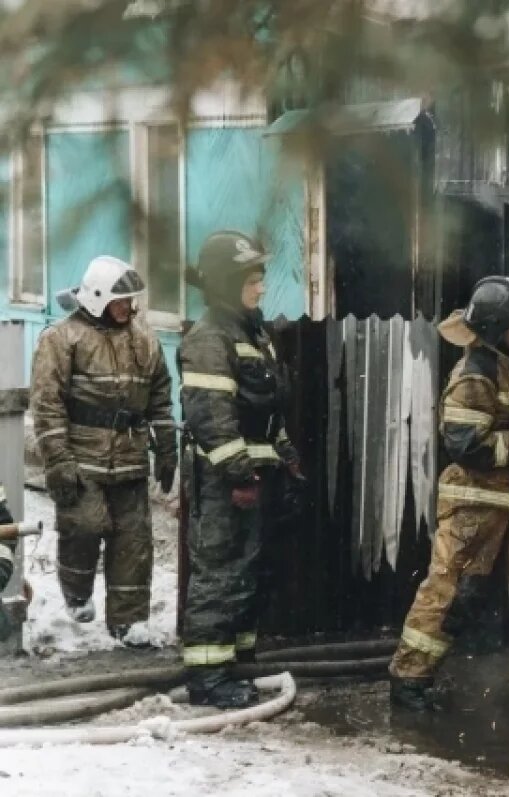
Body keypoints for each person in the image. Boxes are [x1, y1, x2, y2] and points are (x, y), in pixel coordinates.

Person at [389, 275, 509, 711]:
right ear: (494, 329)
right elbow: (465, 445)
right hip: (477, 500)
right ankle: (409, 680)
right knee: (453, 592)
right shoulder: (473, 375)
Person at [177, 230, 301, 708]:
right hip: (225, 480)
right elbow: (211, 416)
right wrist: (239, 476)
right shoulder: (210, 337)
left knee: (250, 571)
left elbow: (271, 410)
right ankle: (208, 677)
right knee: (221, 572)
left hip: (256, 472)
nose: (262, 288)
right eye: (253, 279)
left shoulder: (253, 332)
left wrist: (286, 458)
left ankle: (237, 663)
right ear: (228, 284)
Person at [30, 257, 177, 647]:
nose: (127, 308)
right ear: (96, 299)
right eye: (120, 300)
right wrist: (58, 460)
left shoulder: (144, 339)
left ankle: (128, 622)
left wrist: (166, 447)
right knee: (85, 525)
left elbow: (161, 397)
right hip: (82, 459)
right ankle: (76, 591)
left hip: (130, 458)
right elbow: (47, 404)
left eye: (130, 301)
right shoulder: (62, 339)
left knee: (134, 540)